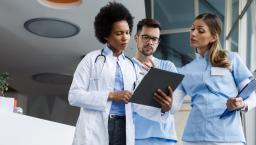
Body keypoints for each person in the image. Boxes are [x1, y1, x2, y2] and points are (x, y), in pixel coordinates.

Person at [170, 13, 256, 145]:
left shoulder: (231, 59)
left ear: (213, 37)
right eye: (192, 29)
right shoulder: (185, 70)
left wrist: (242, 104)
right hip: (195, 137)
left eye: (200, 30)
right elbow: (172, 106)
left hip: (228, 136)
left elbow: (252, 95)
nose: (193, 33)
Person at [68, 2, 136, 145]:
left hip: (125, 127)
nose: (125, 37)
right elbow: (74, 96)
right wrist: (110, 95)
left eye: (127, 32)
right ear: (106, 35)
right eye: (119, 33)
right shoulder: (91, 60)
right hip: (97, 126)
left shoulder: (131, 65)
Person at [132, 18, 177, 145]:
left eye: (154, 39)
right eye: (145, 37)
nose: (150, 42)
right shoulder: (125, 67)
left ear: (158, 42)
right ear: (136, 38)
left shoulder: (168, 67)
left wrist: (167, 106)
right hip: (137, 137)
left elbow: (174, 106)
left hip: (165, 137)